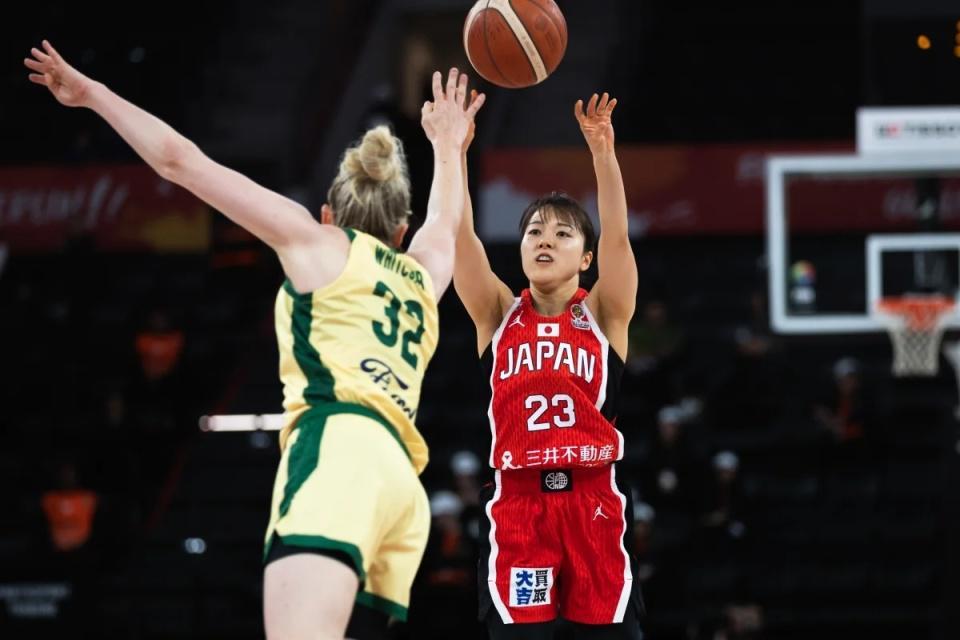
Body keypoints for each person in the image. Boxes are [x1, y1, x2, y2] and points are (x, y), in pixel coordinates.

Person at [26, 40, 484, 640]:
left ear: (328, 214)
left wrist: (92, 94)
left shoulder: (316, 243)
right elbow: (445, 221)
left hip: (337, 451)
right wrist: (449, 146)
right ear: (401, 231)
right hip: (400, 481)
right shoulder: (423, 274)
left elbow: (180, 161)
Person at [453, 92, 643, 638]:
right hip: (519, 505)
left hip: (593, 501)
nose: (545, 240)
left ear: (586, 258)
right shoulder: (497, 313)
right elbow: (461, 238)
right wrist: (455, 153)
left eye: (562, 233)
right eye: (534, 231)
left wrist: (603, 153)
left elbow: (619, 238)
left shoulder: (604, 313)